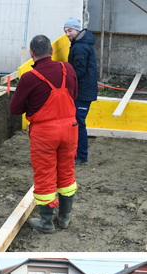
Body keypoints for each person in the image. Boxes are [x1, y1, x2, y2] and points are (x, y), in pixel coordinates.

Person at [10, 34, 79, 234]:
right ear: (52, 51)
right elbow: (74, 94)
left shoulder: (29, 77)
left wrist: (32, 103)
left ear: (32, 54)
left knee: (45, 174)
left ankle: (47, 222)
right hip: (70, 128)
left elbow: (15, 109)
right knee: (67, 171)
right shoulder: (68, 69)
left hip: (45, 133)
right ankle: (64, 218)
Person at [63, 17, 97, 166]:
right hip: (84, 90)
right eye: (65, 31)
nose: (67, 34)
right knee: (77, 122)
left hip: (83, 92)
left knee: (79, 123)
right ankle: (78, 154)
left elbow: (79, 72)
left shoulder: (80, 47)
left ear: (77, 30)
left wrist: (63, 77)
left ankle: (81, 156)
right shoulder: (81, 43)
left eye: (69, 31)